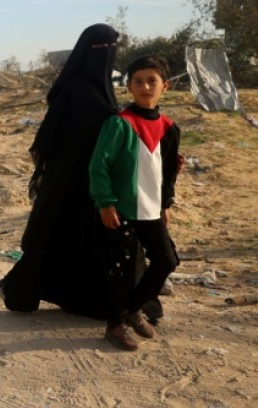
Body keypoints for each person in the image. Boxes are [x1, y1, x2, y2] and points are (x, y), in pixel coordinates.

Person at [0, 24, 164, 321]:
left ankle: (112, 301)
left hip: (96, 180)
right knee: (59, 235)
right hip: (71, 181)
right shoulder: (80, 89)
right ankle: (29, 290)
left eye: (111, 48)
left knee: (100, 240)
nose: (106, 55)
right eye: (100, 48)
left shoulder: (98, 88)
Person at [89, 56, 180, 350]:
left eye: (151, 81)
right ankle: (115, 326)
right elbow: (98, 166)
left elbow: (168, 173)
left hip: (152, 209)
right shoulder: (119, 124)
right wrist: (105, 203)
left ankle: (132, 309)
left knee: (166, 260)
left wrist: (165, 204)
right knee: (122, 271)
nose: (145, 87)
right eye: (137, 81)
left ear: (164, 86)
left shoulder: (169, 128)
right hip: (123, 210)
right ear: (128, 86)